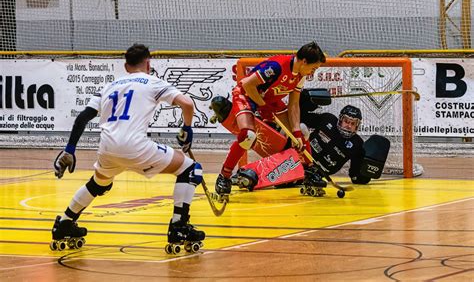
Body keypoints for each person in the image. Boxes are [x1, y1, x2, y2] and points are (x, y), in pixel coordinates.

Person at [51, 44, 205, 253]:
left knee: (98, 184)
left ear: (126, 66)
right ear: (148, 63)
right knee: (189, 169)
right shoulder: (152, 82)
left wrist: (70, 149)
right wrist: (187, 129)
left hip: (107, 148)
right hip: (135, 147)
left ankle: (65, 222)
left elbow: (82, 118)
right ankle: (179, 227)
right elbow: (187, 104)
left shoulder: (109, 86)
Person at [215, 41, 326, 197]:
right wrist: (262, 106)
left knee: (301, 131)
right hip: (246, 96)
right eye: (313, 68)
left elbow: (294, 105)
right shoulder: (276, 67)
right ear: (304, 61)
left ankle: (309, 171)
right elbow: (247, 85)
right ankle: (224, 176)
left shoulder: (300, 75)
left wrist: (296, 133)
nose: (312, 72)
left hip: (269, 100)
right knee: (248, 136)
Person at [301, 100, 368, 191]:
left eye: (353, 124)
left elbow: (355, 173)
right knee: (301, 127)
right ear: (340, 119)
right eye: (346, 121)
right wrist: (305, 102)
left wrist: (364, 176)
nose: (348, 126)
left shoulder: (357, 143)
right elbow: (302, 118)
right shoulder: (327, 119)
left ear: (357, 126)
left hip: (318, 173)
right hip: (301, 159)